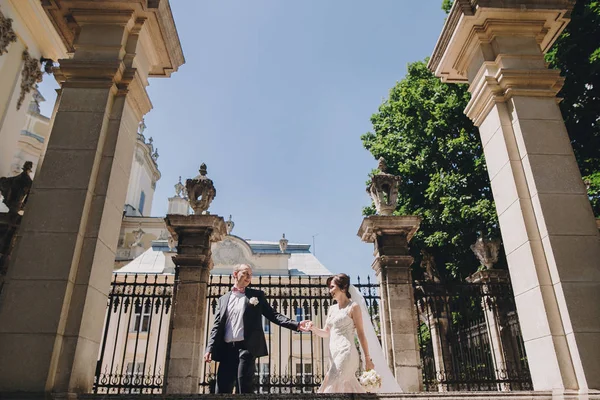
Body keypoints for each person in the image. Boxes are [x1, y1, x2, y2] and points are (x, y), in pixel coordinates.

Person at [204, 263, 312, 394]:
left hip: (246, 348)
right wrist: (209, 348)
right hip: (227, 349)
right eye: (245, 273)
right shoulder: (223, 299)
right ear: (235, 274)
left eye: (250, 274)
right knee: (221, 388)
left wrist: (296, 324)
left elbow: (273, 315)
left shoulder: (256, 295)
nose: (249, 277)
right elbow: (216, 327)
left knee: (243, 385)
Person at [309, 273, 403, 393]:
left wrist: (368, 359)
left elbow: (361, 334)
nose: (329, 290)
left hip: (346, 352)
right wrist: (313, 328)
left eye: (332, 287)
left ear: (343, 288)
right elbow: (326, 332)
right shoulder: (332, 309)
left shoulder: (353, 307)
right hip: (334, 354)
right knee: (346, 388)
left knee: (331, 383)